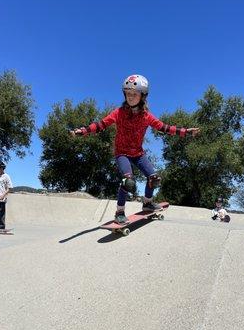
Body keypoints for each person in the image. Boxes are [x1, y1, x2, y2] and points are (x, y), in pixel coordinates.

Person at [71, 74, 200, 224]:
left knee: (154, 178)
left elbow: (164, 128)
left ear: (143, 96)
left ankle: (147, 203)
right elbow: (101, 124)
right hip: (122, 154)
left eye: (134, 94)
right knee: (128, 182)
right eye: (128, 93)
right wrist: (84, 131)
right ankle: (119, 211)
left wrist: (185, 132)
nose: (130, 97)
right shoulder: (118, 113)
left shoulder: (147, 116)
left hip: (138, 154)